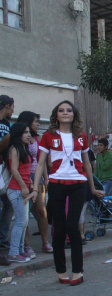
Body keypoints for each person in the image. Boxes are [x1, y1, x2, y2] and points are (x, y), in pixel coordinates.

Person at [32, 100, 104, 285]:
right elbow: (41, 163)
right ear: (56, 115)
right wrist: (35, 187)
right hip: (56, 183)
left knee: (73, 227)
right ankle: (61, 270)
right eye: (61, 110)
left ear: (74, 115)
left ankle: (78, 271)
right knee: (58, 228)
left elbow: (87, 162)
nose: (65, 113)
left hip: (78, 184)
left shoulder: (80, 136)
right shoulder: (48, 136)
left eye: (69, 110)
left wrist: (92, 186)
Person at [17, 111, 52, 254]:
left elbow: (41, 160)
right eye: (35, 121)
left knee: (41, 211)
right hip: (24, 177)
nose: (38, 124)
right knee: (24, 213)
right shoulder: (19, 138)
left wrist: (46, 178)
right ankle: (26, 245)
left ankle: (45, 242)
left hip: (37, 177)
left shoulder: (37, 138)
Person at [6, 122, 34, 263]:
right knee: (21, 222)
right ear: (18, 134)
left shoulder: (23, 148)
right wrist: (24, 186)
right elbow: (15, 170)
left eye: (29, 132)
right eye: (25, 132)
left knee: (24, 222)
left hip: (23, 189)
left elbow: (25, 170)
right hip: (16, 189)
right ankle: (13, 252)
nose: (28, 135)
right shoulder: (15, 149)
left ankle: (20, 250)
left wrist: (30, 183)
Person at [0, 95, 14, 256]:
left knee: (9, 202)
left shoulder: (6, 125)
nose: (13, 110)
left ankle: (2, 238)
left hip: (4, 169)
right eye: (12, 107)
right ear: (7, 106)